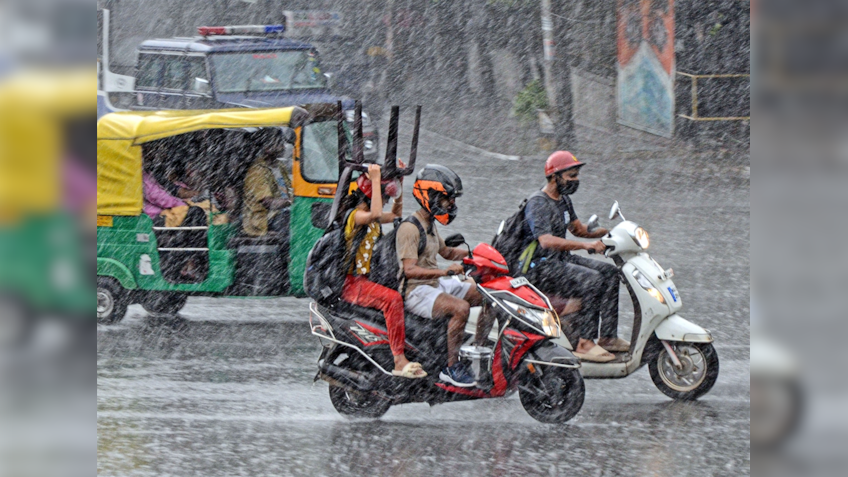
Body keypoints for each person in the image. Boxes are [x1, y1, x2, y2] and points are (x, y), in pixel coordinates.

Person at [519, 151, 629, 362]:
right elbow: (546, 241)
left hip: (560, 260)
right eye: (571, 176)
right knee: (592, 280)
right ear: (554, 177)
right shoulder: (538, 203)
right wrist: (585, 245)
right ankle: (584, 342)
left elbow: (578, 229)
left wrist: (610, 233)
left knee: (609, 273)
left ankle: (608, 337)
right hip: (539, 267)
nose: (575, 181)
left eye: (576, 176)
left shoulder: (563, 200)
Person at [397, 165, 494, 387]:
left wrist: (481, 254)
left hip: (433, 284)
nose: (451, 204)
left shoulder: (428, 223)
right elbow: (409, 270)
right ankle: (451, 368)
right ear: (429, 196)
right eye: (446, 199)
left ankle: (478, 349)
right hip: (415, 290)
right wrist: (445, 271)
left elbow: (448, 252)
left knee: (488, 293)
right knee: (461, 308)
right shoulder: (410, 228)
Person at [340, 163, 426, 379]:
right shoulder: (355, 216)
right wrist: (376, 180)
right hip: (352, 284)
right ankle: (398, 360)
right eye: (382, 197)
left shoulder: (373, 216)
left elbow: (396, 214)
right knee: (392, 300)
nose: (385, 202)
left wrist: (400, 184)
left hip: (366, 281)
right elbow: (377, 212)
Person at [241, 129, 292, 237]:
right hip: (266, 220)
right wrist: (292, 201)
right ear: (267, 148)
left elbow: (290, 190)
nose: (283, 147)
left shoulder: (280, 166)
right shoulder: (257, 171)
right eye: (279, 143)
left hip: (281, 215)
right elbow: (269, 203)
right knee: (293, 222)